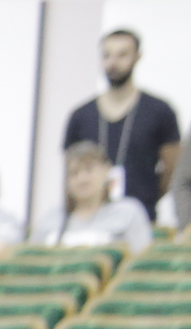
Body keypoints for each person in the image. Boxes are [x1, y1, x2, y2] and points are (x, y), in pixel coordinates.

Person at [65, 27, 181, 217]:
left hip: (142, 215)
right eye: (107, 55)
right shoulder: (81, 116)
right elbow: (70, 170)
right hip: (90, 217)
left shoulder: (160, 111)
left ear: (137, 57)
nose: (113, 63)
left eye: (122, 55)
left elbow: (172, 168)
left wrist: (148, 196)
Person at [40, 139, 157, 249]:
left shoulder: (128, 213)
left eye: (89, 170)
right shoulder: (50, 220)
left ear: (106, 170)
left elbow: (142, 257)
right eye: (74, 173)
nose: (82, 179)